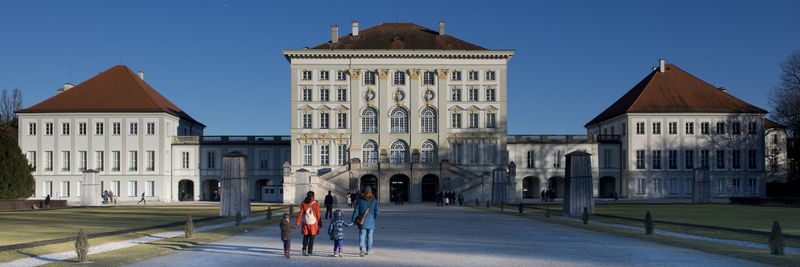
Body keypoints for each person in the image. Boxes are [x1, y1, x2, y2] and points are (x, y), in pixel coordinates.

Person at [351, 185, 378, 257]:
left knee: (362, 235)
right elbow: (377, 212)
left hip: (362, 221)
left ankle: (362, 249)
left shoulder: (359, 200)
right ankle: (368, 250)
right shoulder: (374, 201)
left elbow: (355, 211)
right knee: (370, 236)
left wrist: (353, 220)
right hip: (371, 222)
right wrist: (373, 218)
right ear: (371, 192)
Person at [296, 191, 321, 256]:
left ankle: (304, 249)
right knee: (312, 237)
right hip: (313, 223)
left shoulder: (303, 203)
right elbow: (318, 214)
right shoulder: (315, 204)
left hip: (305, 222)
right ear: (313, 196)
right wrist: (320, 222)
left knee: (306, 236)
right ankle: (310, 251)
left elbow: (300, 213)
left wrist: (298, 222)